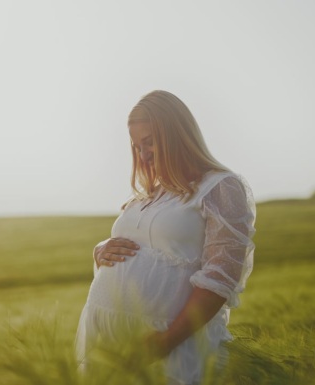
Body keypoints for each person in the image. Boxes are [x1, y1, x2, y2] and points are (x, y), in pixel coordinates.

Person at [75, 90, 256, 385]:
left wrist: (164, 342)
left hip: (171, 345)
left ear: (178, 135)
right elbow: (134, 246)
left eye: (150, 142)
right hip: (107, 345)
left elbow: (221, 278)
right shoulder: (149, 194)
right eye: (137, 147)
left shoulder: (221, 187)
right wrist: (100, 249)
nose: (143, 155)